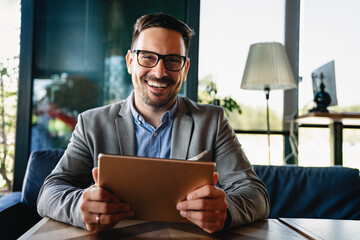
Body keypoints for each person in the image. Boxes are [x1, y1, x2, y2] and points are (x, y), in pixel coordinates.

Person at [37, 13, 270, 234]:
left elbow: (256, 195)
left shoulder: (212, 121)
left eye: (173, 60)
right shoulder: (91, 124)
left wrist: (225, 211)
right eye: (148, 57)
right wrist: (80, 207)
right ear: (130, 62)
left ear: (185, 69)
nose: (159, 72)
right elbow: (50, 192)